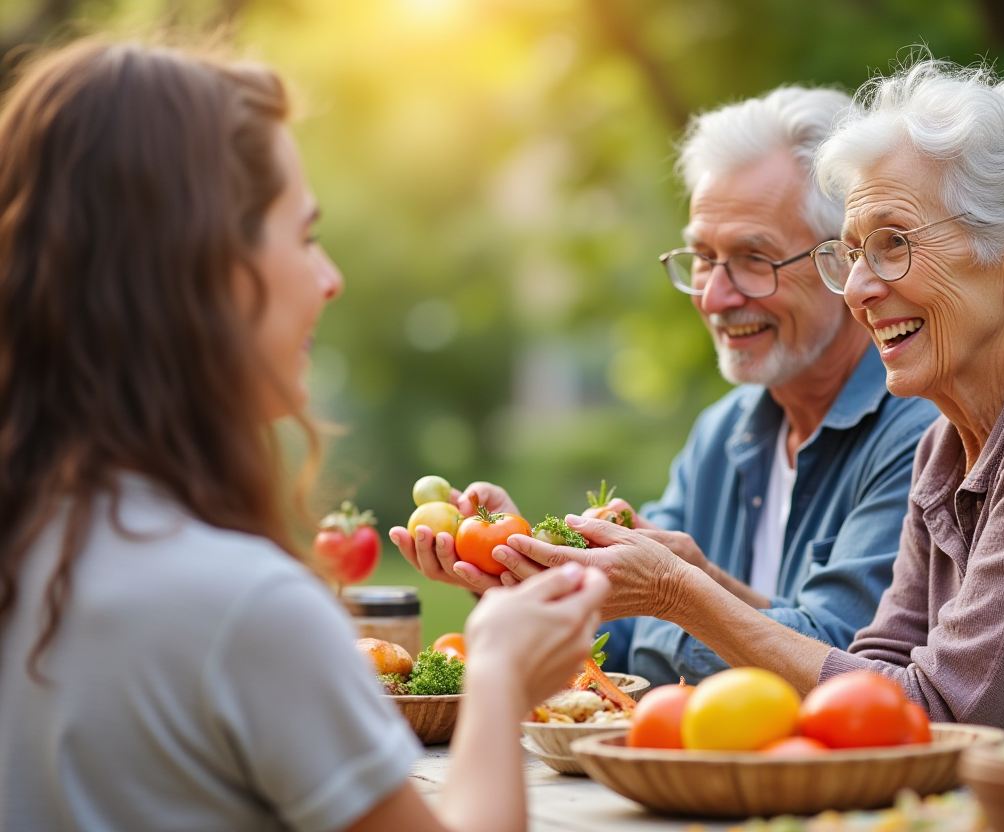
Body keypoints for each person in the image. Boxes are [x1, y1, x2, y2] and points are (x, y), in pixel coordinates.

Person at [504, 59, 1004, 740]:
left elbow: (935, 714)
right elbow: (876, 672)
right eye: (851, 253)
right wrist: (688, 581)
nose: (858, 289)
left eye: (894, 243)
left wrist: (680, 594)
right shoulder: (949, 439)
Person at [0, 39, 609, 832]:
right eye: (303, 235)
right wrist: (496, 678)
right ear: (206, 268)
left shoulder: (35, 545)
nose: (330, 278)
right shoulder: (243, 608)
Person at [392, 86, 939, 686]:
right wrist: (519, 560)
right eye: (703, 256)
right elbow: (618, 645)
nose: (714, 296)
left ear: (843, 261)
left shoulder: (919, 432)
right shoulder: (722, 433)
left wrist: (685, 591)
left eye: (755, 258)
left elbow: (848, 667)